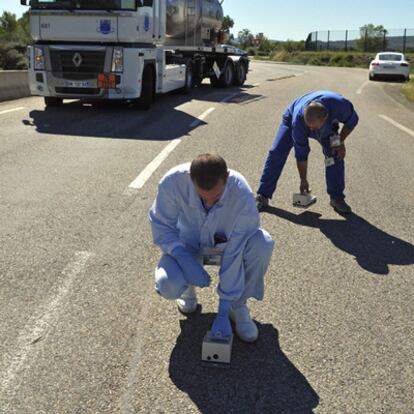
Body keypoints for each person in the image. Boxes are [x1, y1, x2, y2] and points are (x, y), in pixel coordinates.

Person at [149, 154, 275, 342]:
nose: (208, 203)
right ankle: (187, 289)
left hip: (226, 249)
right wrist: (183, 258)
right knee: (167, 284)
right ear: (191, 180)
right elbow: (162, 227)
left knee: (261, 244)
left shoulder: (241, 194)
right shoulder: (173, 182)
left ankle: (236, 305)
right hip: (188, 247)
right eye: (202, 197)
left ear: (227, 178)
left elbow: (235, 250)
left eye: (216, 198)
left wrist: (223, 307)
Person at [256, 90, 359, 214]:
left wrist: (340, 141)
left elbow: (352, 121)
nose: (311, 130)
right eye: (309, 127)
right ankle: (263, 195)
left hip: (330, 128)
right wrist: (303, 180)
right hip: (292, 117)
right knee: (277, 152)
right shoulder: (299, 121)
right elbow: (301, 154)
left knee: (334, 156)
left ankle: (337, 198)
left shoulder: (340, 106)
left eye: (314, 128)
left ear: (325, 117)